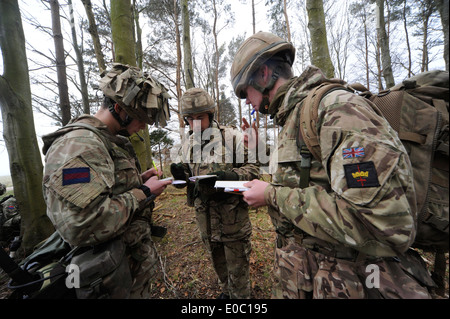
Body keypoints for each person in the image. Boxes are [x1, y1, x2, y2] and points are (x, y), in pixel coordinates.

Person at [230, 31, 434, 299]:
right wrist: (260, 152)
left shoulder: (337, 110)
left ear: (264, 74)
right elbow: (307, 174)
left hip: (355, 282)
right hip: (312, 277)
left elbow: (382, 222)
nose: (247, 102)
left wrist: (271, 195)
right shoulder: (294, 116)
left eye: (245, 92)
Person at [42, 63, 172, 299]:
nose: (143, 126)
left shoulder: (105, 141)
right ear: (120, 110)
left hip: (126, 272)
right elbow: (83, 224)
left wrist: (138, 181)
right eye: (140, 119)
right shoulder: (79, 146)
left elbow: (104, 191)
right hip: (108, 284)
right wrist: (143, 191)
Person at [170, 88, 260, 299]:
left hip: (233, 220)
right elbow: (186, 176)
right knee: (219, 265)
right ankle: (226, 292)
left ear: (211, 115)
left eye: (200, 117)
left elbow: (254, 170)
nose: (195, 124)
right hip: (206, 222)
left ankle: (240, 298)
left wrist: (227, 178)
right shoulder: (188, 143)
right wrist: (179, 176)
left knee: (238, 270)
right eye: (190, 119)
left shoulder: (231, 137)